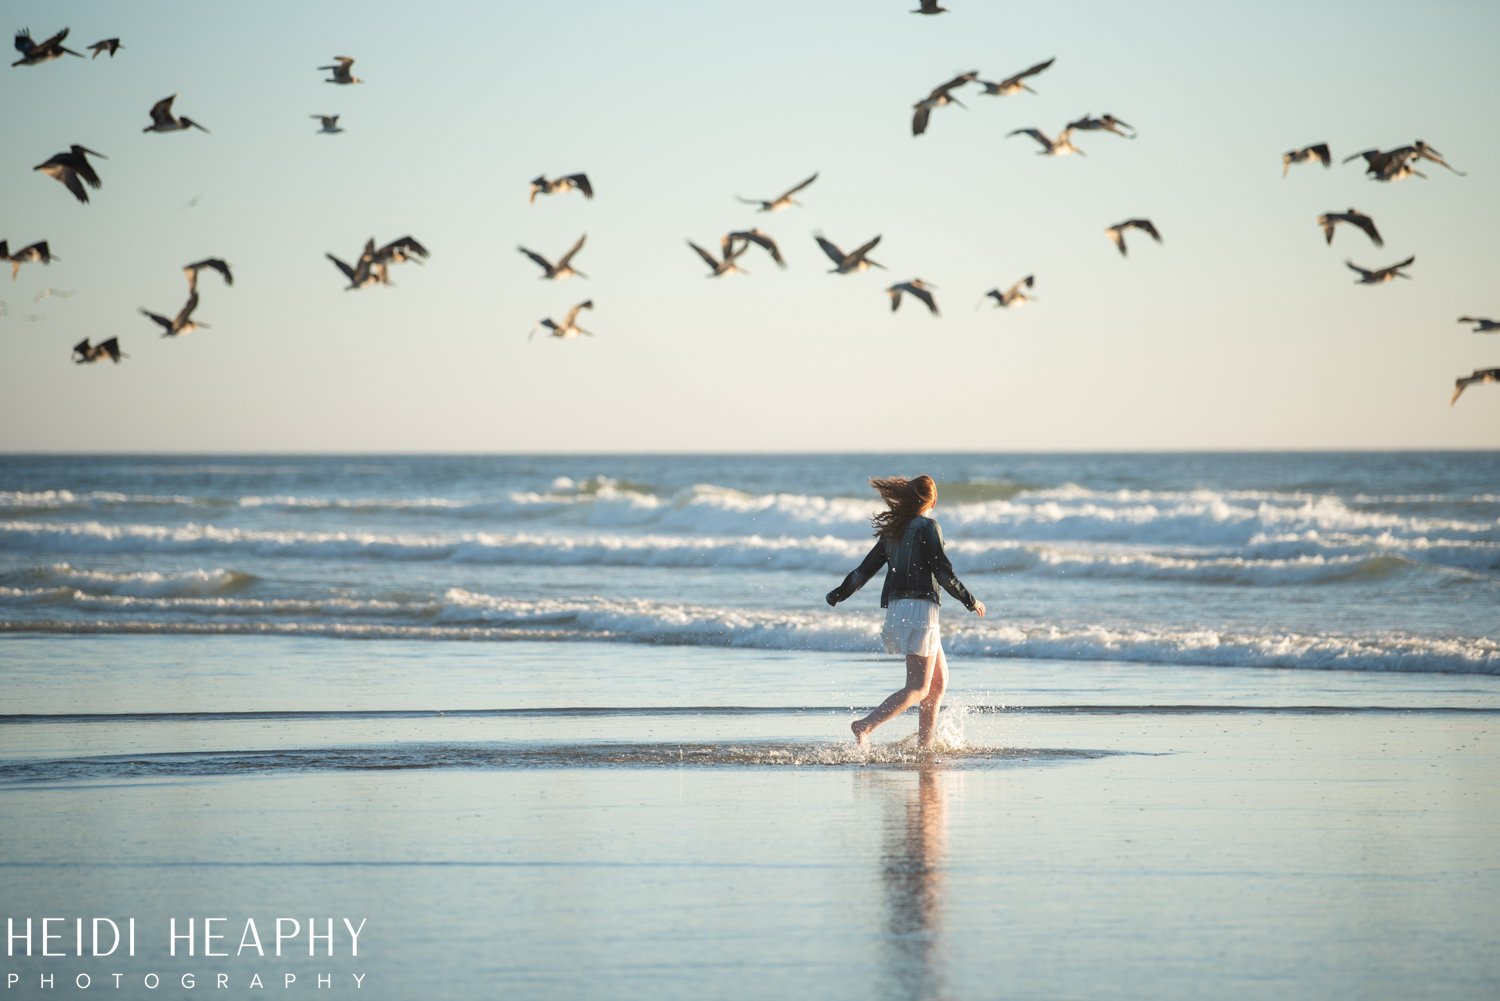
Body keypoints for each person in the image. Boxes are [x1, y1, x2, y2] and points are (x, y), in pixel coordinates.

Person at [826, 475, 985, 747]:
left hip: (901, 608)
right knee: (918, 688)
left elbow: (864, 571)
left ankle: (926, 744)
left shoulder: (895, 531)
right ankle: (865, 725)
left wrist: (839, 593)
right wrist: (970, 601)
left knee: (937, 684)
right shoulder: (928, 527)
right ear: (933, 500)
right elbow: (943, 571)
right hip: (920, 610)